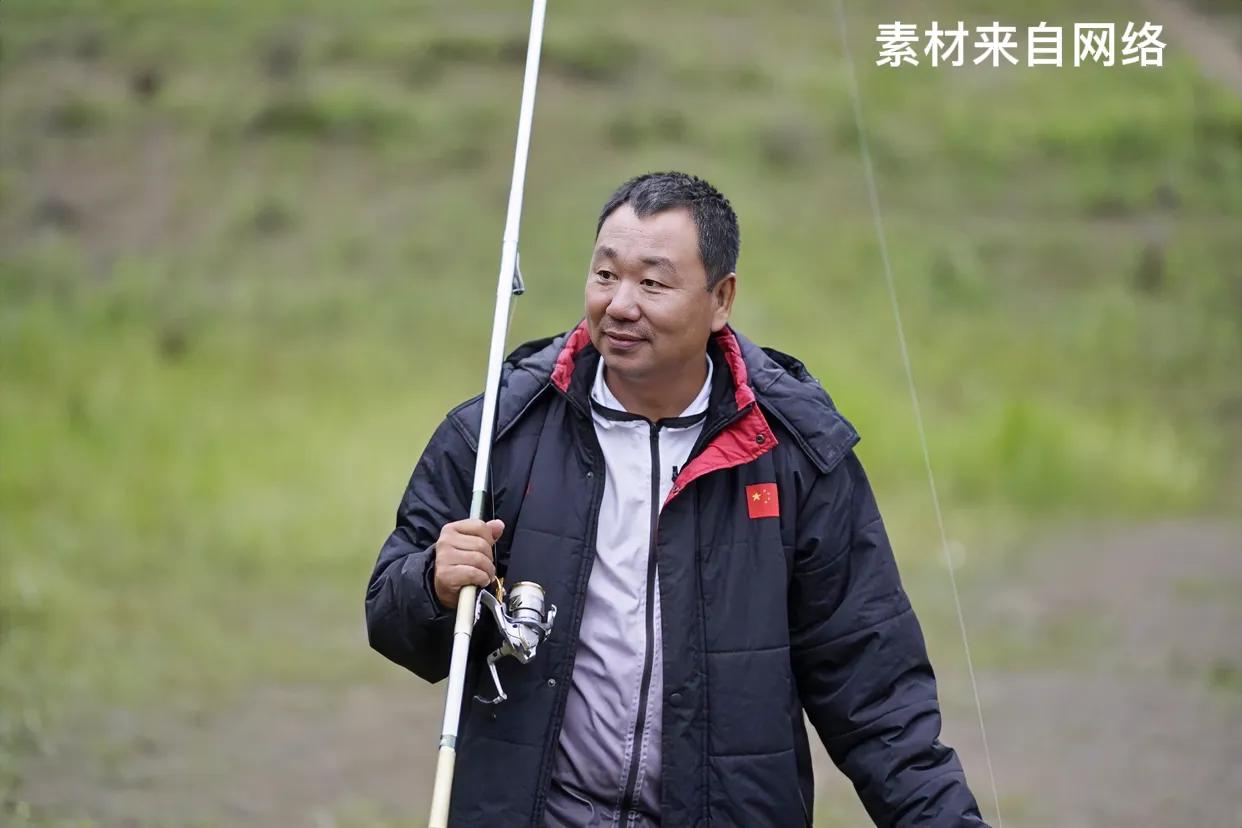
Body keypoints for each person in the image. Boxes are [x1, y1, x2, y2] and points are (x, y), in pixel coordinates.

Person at [365, 171, 986, 827]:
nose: (620, 304)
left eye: (653, 283)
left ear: (721, 299)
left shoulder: (796, 452)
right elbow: (390, 617)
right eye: (605, 276)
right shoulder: (497, 432)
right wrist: (433, 585)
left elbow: (875, 692)